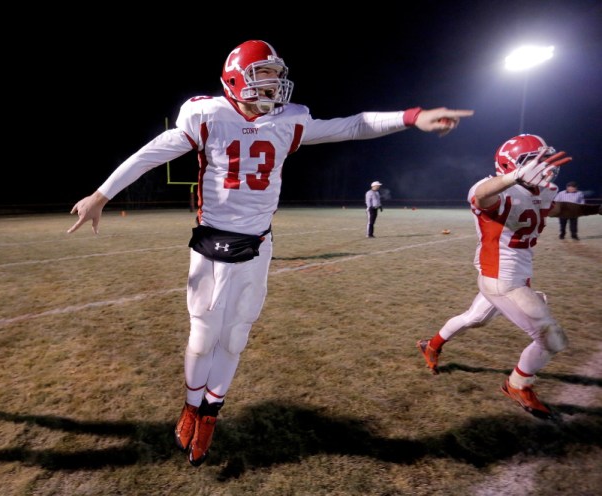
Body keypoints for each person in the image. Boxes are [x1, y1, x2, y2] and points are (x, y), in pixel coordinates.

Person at [67, 40, 474, 466]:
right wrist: (102, 194)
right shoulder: (207, 115)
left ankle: (211, 415)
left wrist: (412, 117)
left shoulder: (290, 121)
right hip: (211, 242)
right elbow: (151, 154)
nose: (276, 83)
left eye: (277, 75)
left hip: (259, 243)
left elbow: (353, 124)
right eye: (265, 74)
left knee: (237, 335)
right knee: (204, 337)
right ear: (236, 77)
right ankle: (191, 407)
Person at [416, 134, 602, 420]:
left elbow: (561, 208)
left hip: (514, 275)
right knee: (552, 339)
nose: (544, 166)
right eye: (534, 161)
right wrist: (515, 176)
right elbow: (481, 196)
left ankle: (431, 345)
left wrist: (597, 208)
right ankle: (517, 384)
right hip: (501, 279)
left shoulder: (543, 190)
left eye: (544, 158)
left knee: (474, 318)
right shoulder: (498, 189)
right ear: (511, 166)